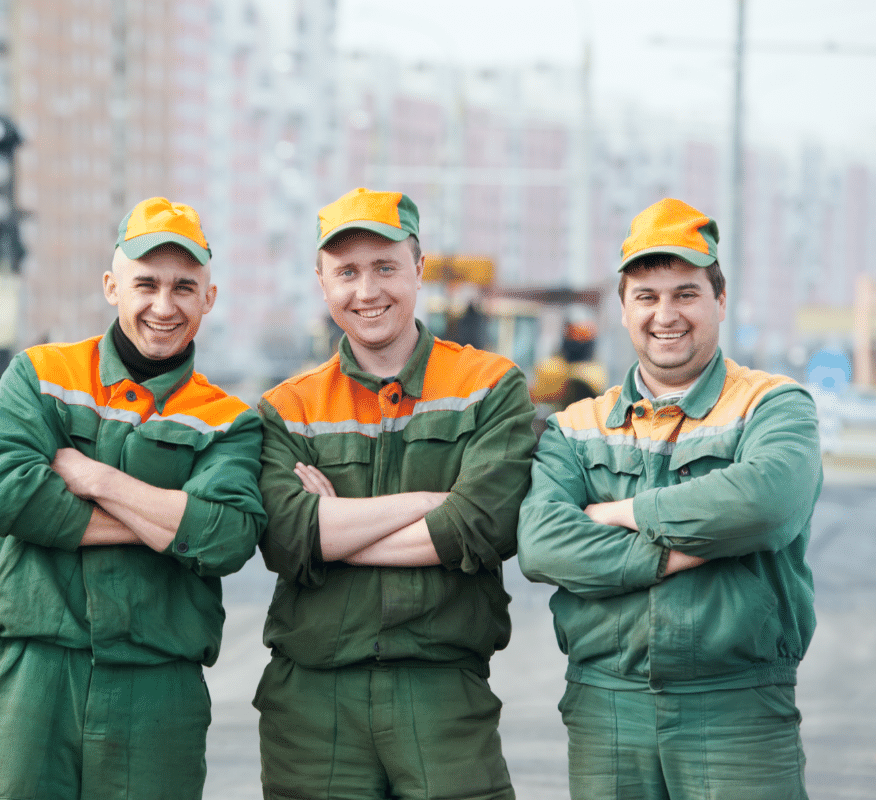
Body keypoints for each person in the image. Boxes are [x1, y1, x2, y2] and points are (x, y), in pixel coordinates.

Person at [0, 196, 267, 800]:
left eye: (184, 287)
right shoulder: (40, 375)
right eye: (146, 284)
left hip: (158, 689)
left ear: (208, 297)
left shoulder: (227, 420)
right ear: (112, 287)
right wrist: (171, 519)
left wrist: (98, 480)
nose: (164, 306)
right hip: (36, 674)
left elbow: (229, 536)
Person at [517, 197, 821, 800]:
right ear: (624, 309)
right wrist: (683, 551)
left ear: (720, 301)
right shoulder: (575, 425)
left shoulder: (773, 405)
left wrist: (622, 513)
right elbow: (543, 545)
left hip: (737, 707)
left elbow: (765, 503)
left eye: (686, 294)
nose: (666, 314)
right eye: (647, 297)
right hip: (606, 708)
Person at [253, 187, 537, 800]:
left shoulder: (489, 387)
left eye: (385, 267)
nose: (367, 291)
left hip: (443, 695)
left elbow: (481, 526)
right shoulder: (288, 407)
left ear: (419, 269)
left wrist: (335, 528)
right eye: (346, 273)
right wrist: (428, 503)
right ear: (322, 283)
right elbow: (287, 537)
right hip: (312, 709)